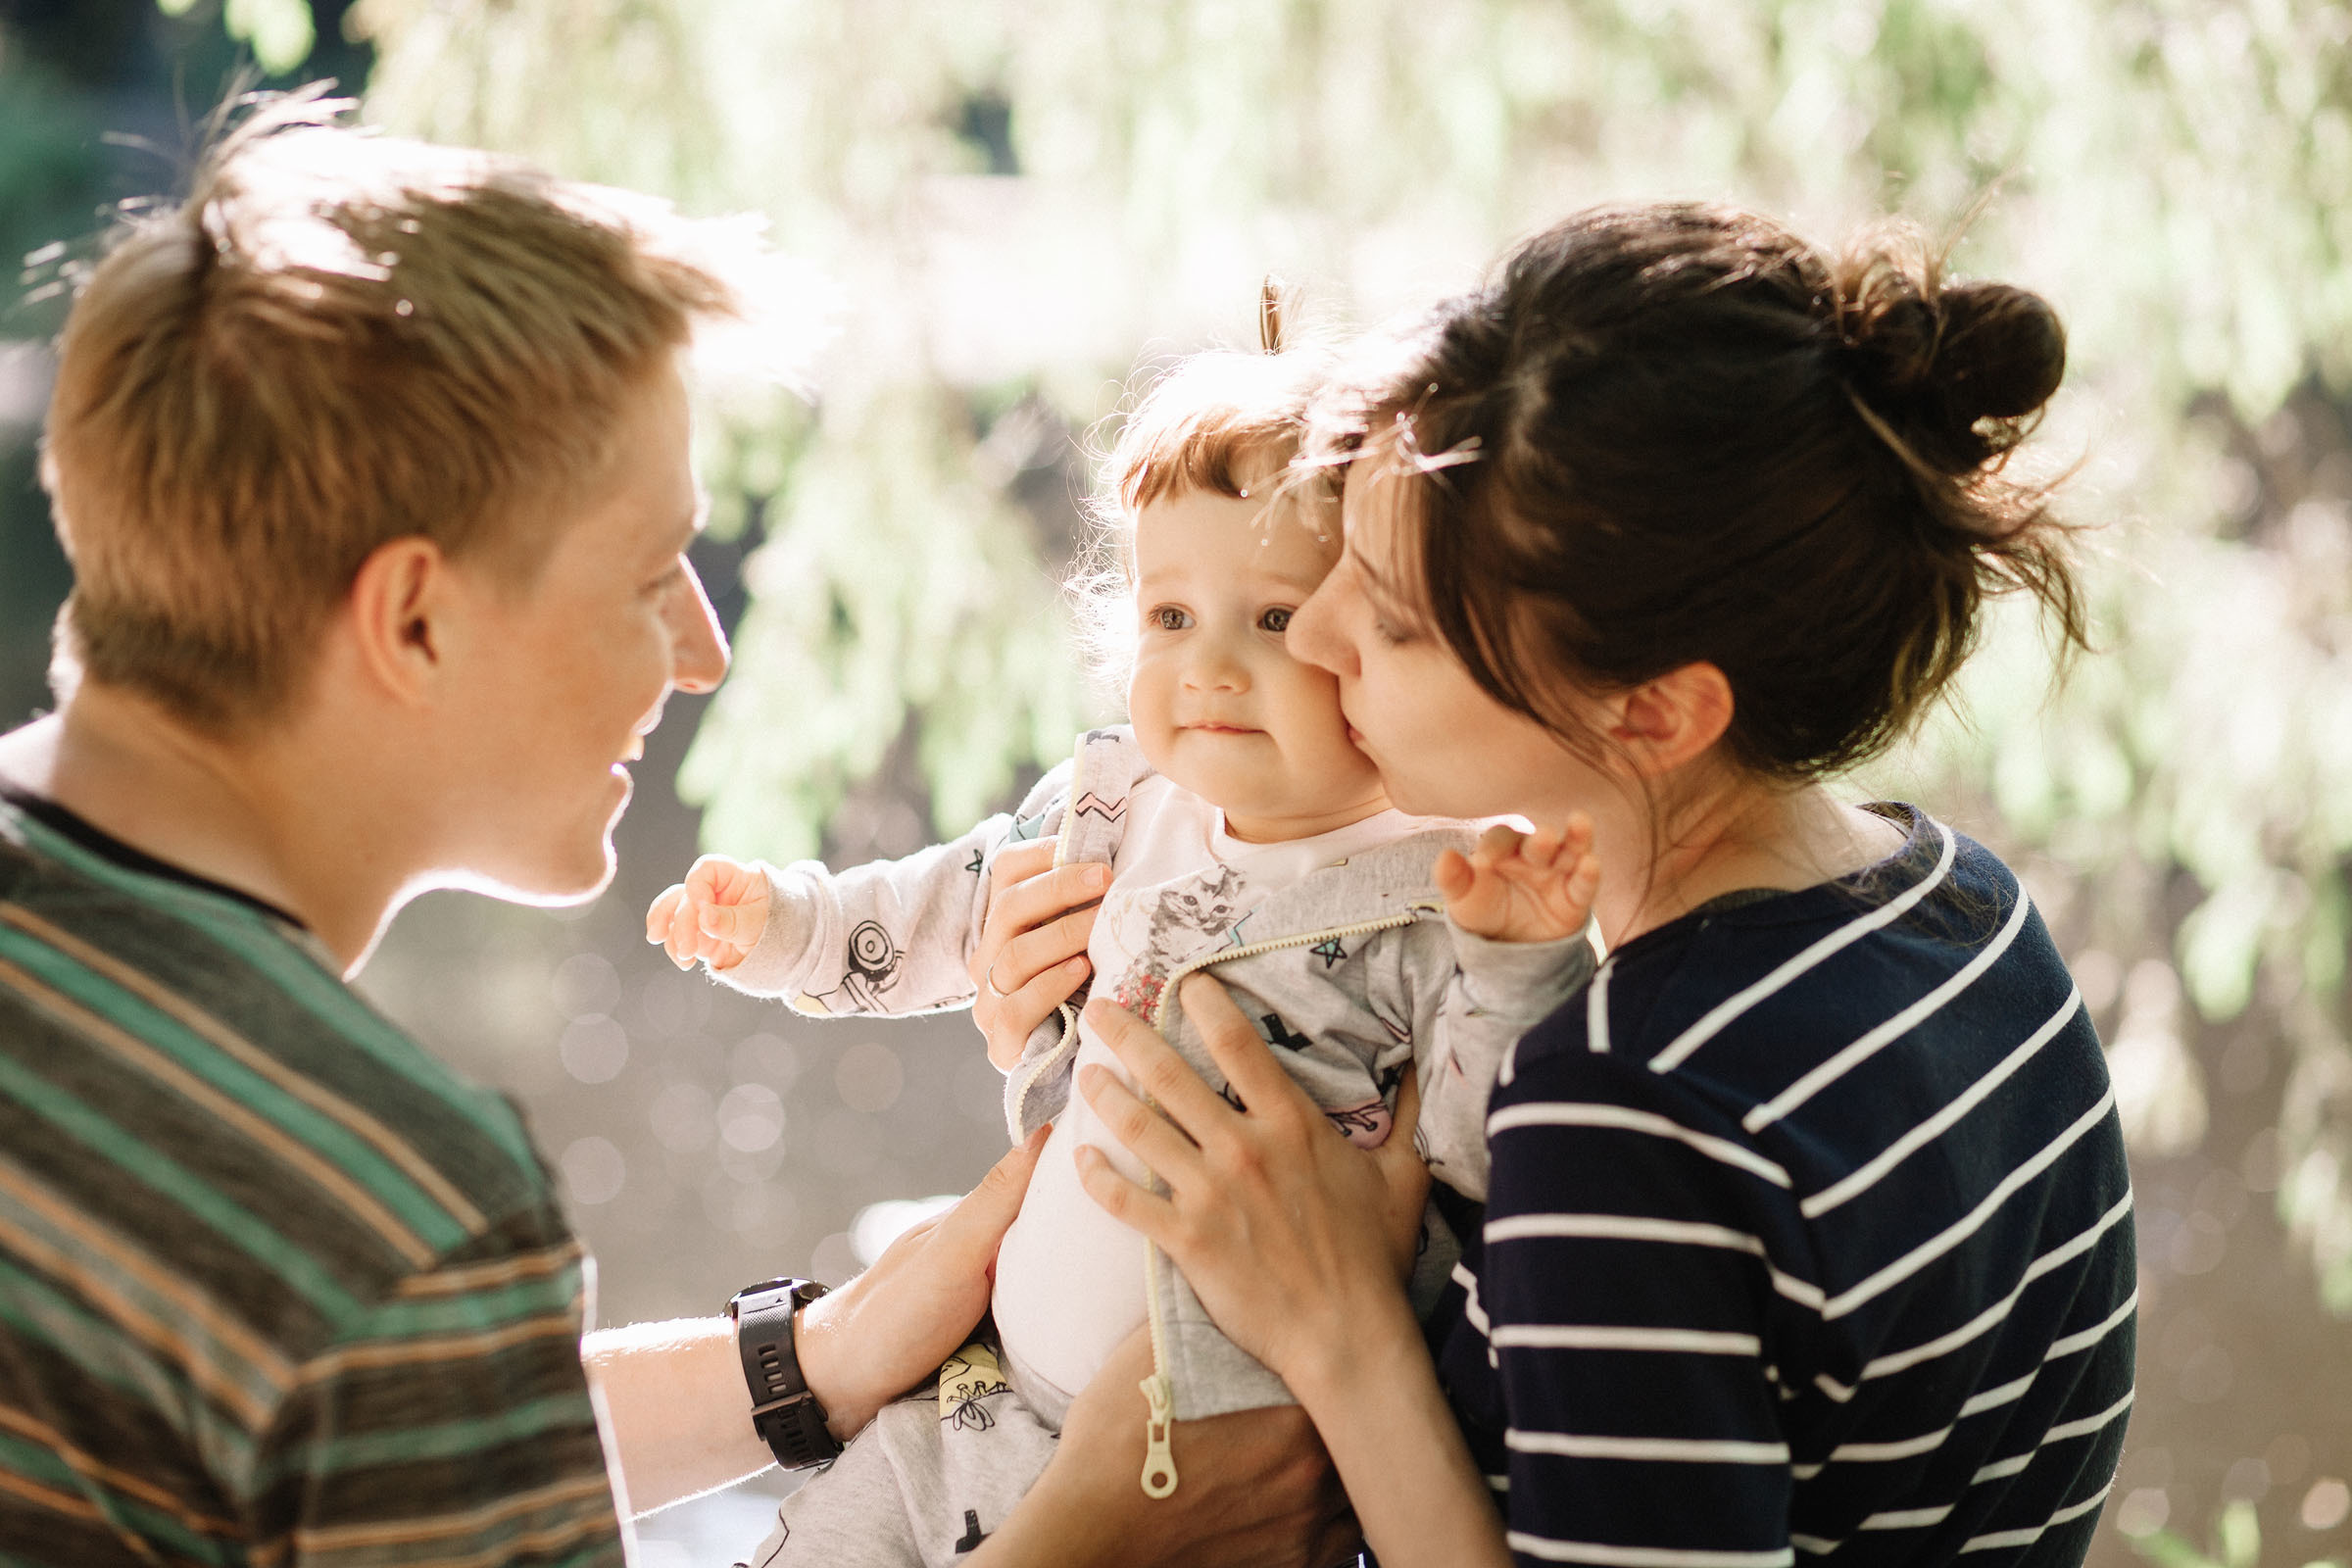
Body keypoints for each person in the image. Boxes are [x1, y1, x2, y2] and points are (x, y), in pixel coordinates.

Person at [0, 101, 1351, 1568]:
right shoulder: (392, 1215)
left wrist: (810, 1362)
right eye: (651, 576)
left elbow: (326, 1422)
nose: (703, 656)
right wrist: (1082, 1544)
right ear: (412, 619)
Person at [981, 204, 2136, 1566]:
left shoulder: (1626, 1114)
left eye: (1398, 620)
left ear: (1650, 713)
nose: (1328, 631)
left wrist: (1339, 1329)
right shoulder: (1966, 908)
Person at [645, 345, 1599, 1565]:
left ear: (1380, 636)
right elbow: (946, 909)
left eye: (1272, 619)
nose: (1208, 664)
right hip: (970, 1395)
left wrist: (1523, 966)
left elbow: (1481, 1145)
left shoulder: (1443, 886)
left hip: (1226, 1474)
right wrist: (785, 925)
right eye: (1169, 615)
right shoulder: (1115, 802)